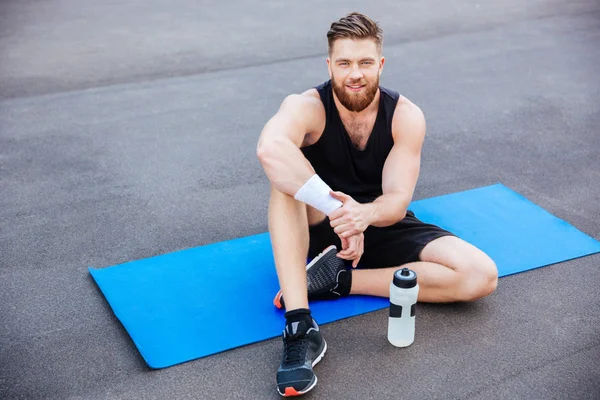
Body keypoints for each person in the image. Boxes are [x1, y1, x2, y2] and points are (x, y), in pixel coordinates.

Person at [256, 12, 498, 397]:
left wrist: (363, 216)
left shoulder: (405, 116)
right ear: (330, 65)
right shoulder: (307, 107)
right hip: (322, 223)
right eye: (345, 63)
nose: (356, 73)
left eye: (365, 62)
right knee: (283, 181)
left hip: (378, 221)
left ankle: (339, 280)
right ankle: (300, 324)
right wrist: (339, 212)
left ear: (380, 64)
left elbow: (397, 202)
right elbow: (270, 148)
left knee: (480, 275)